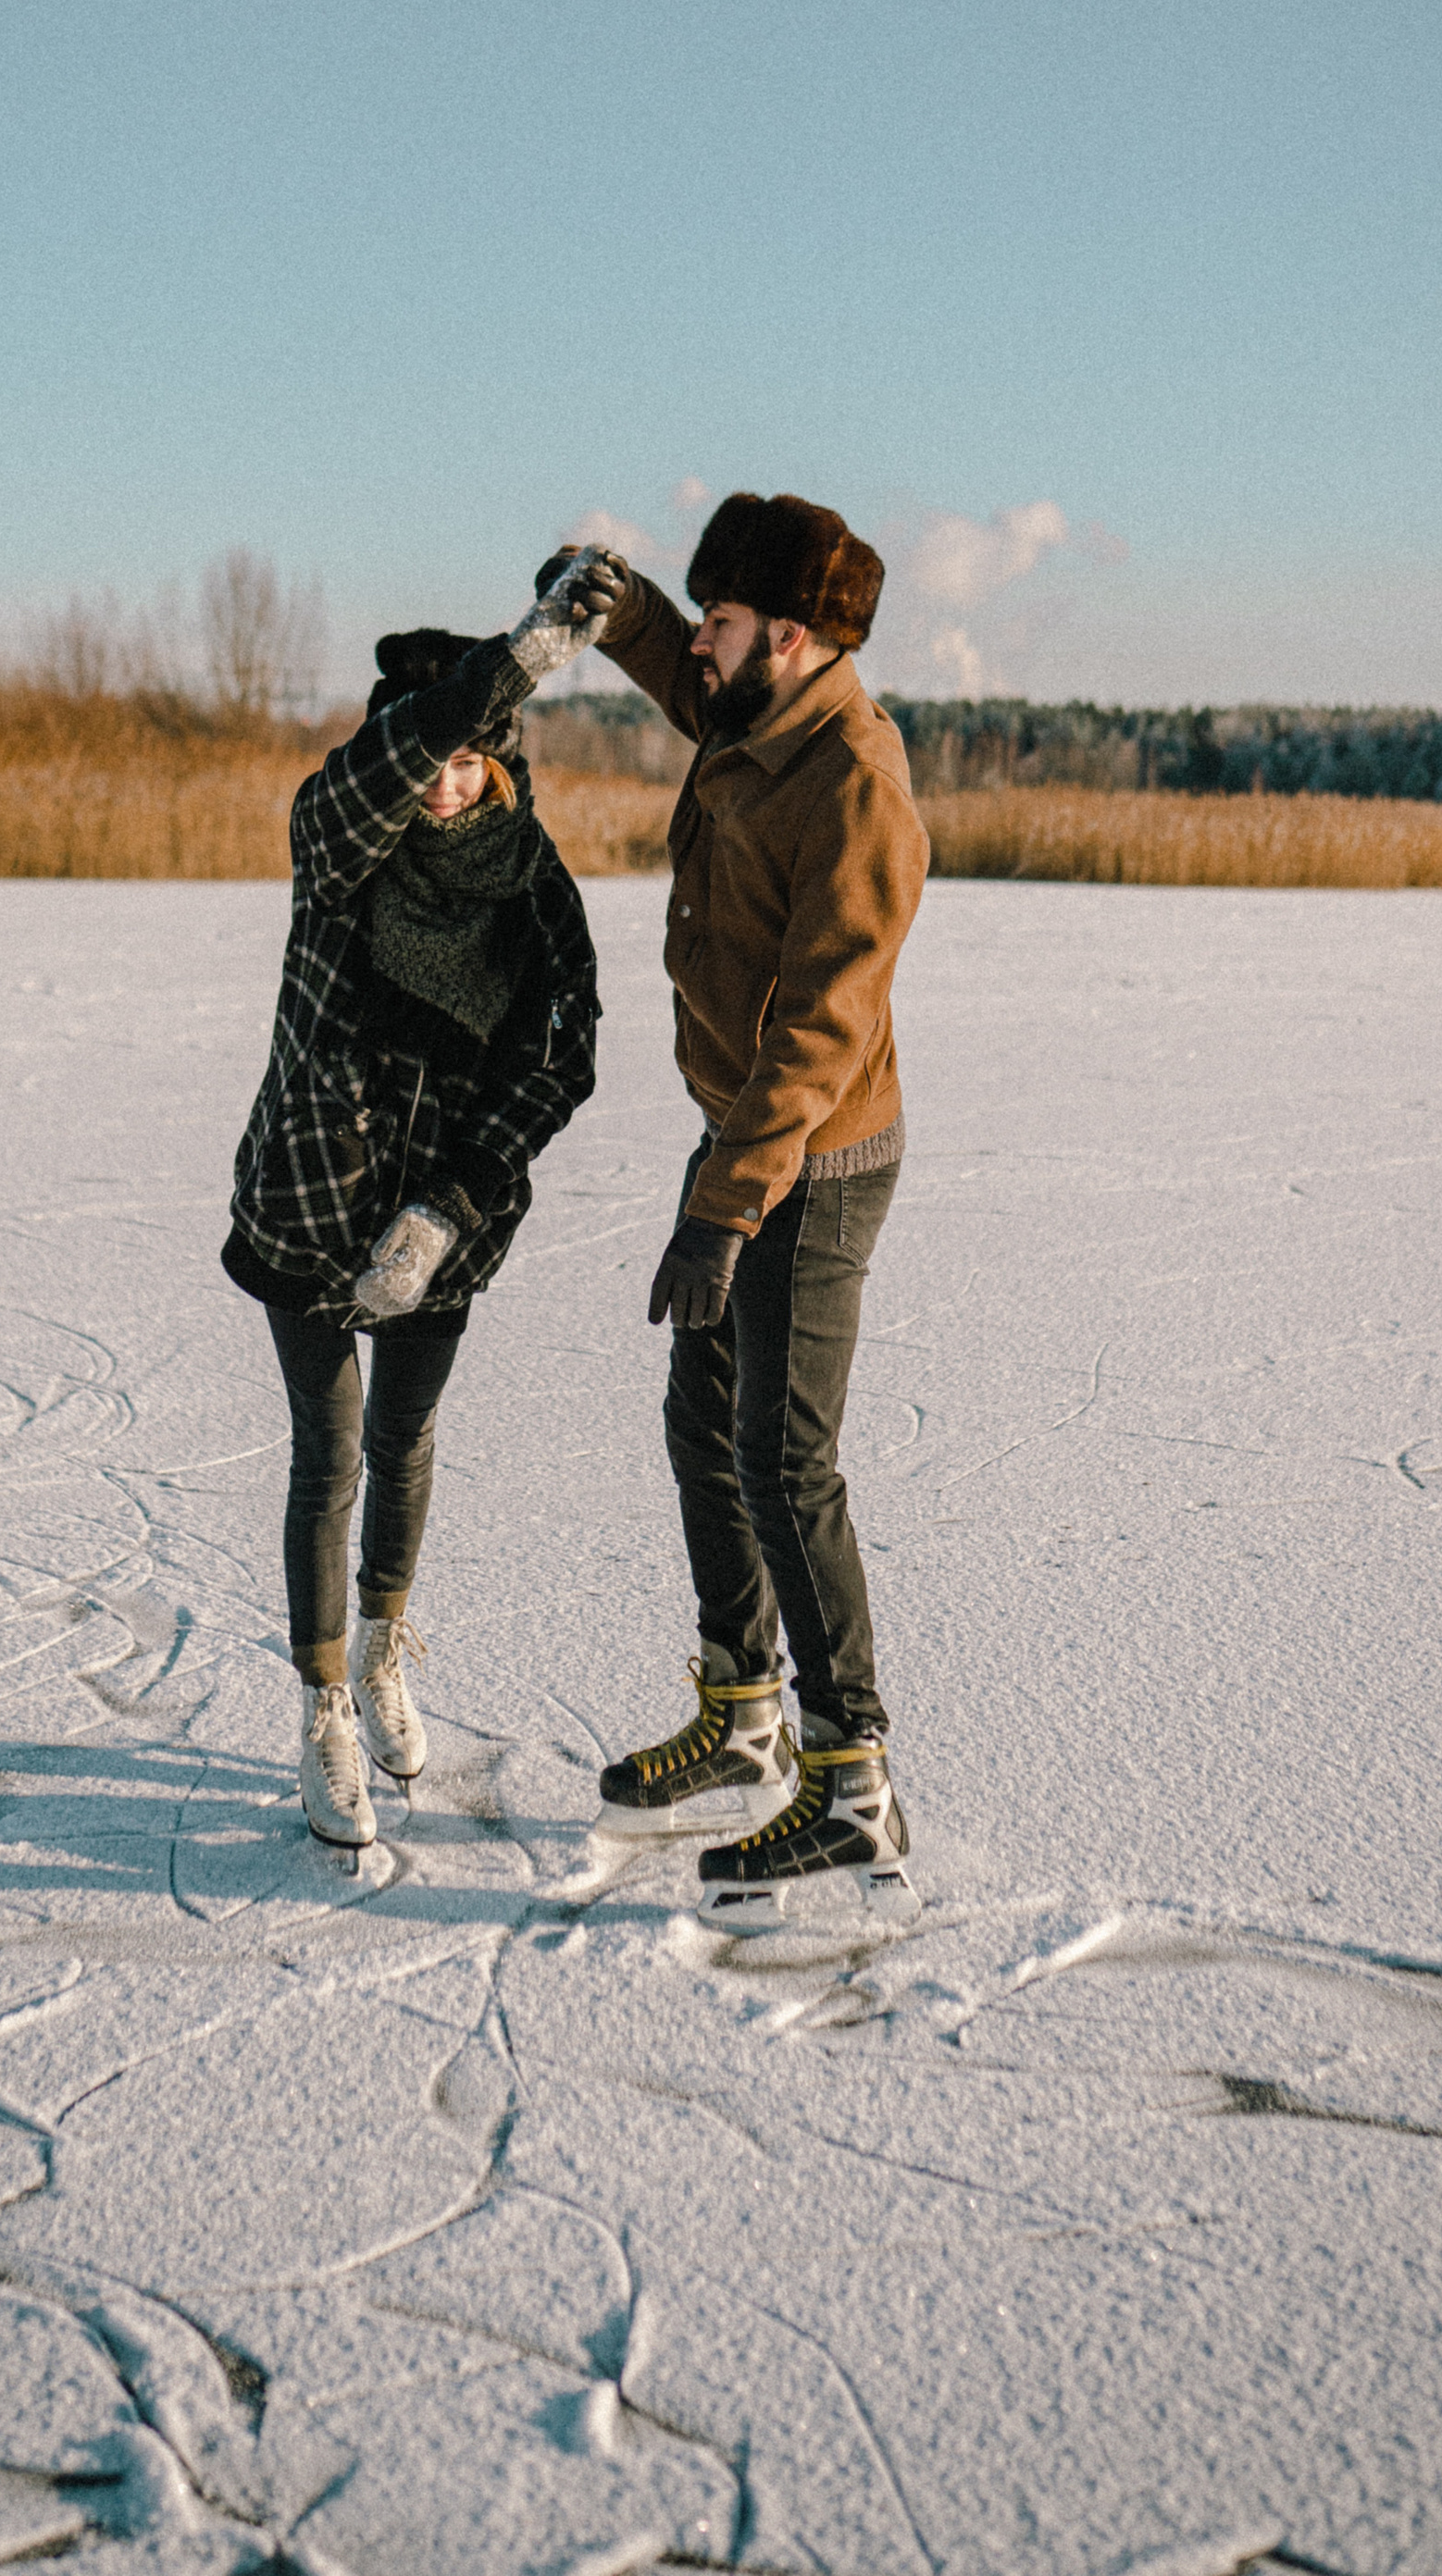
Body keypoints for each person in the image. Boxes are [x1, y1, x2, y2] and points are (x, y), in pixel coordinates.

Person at [543, 496, 930, 1925]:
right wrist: (621, 606)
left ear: (795, 633)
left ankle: (854, 1788)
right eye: (698, 620)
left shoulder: (854, 782)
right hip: (742, 1142)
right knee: (701, 1426)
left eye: (719, 619)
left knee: (785, 1462)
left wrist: (728, 1211)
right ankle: (745, 1709)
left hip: (812, 1166)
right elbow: (680, 672)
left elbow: (828, 1027)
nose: (698, 646)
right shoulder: (756, 712)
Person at [224, 568, 605, 1850]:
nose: (444, 781)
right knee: (326, 1458)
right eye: (427, 755)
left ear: (503, 770)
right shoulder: (338, 847)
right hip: (312, 1202)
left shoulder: (535, 890)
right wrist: (518, 655)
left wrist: (449, 1206)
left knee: (407, 1445)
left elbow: (562, 1052)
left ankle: (387, 1647)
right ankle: (322, 1704)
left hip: (444, 1220)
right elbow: (370, 775)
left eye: (471, 760)